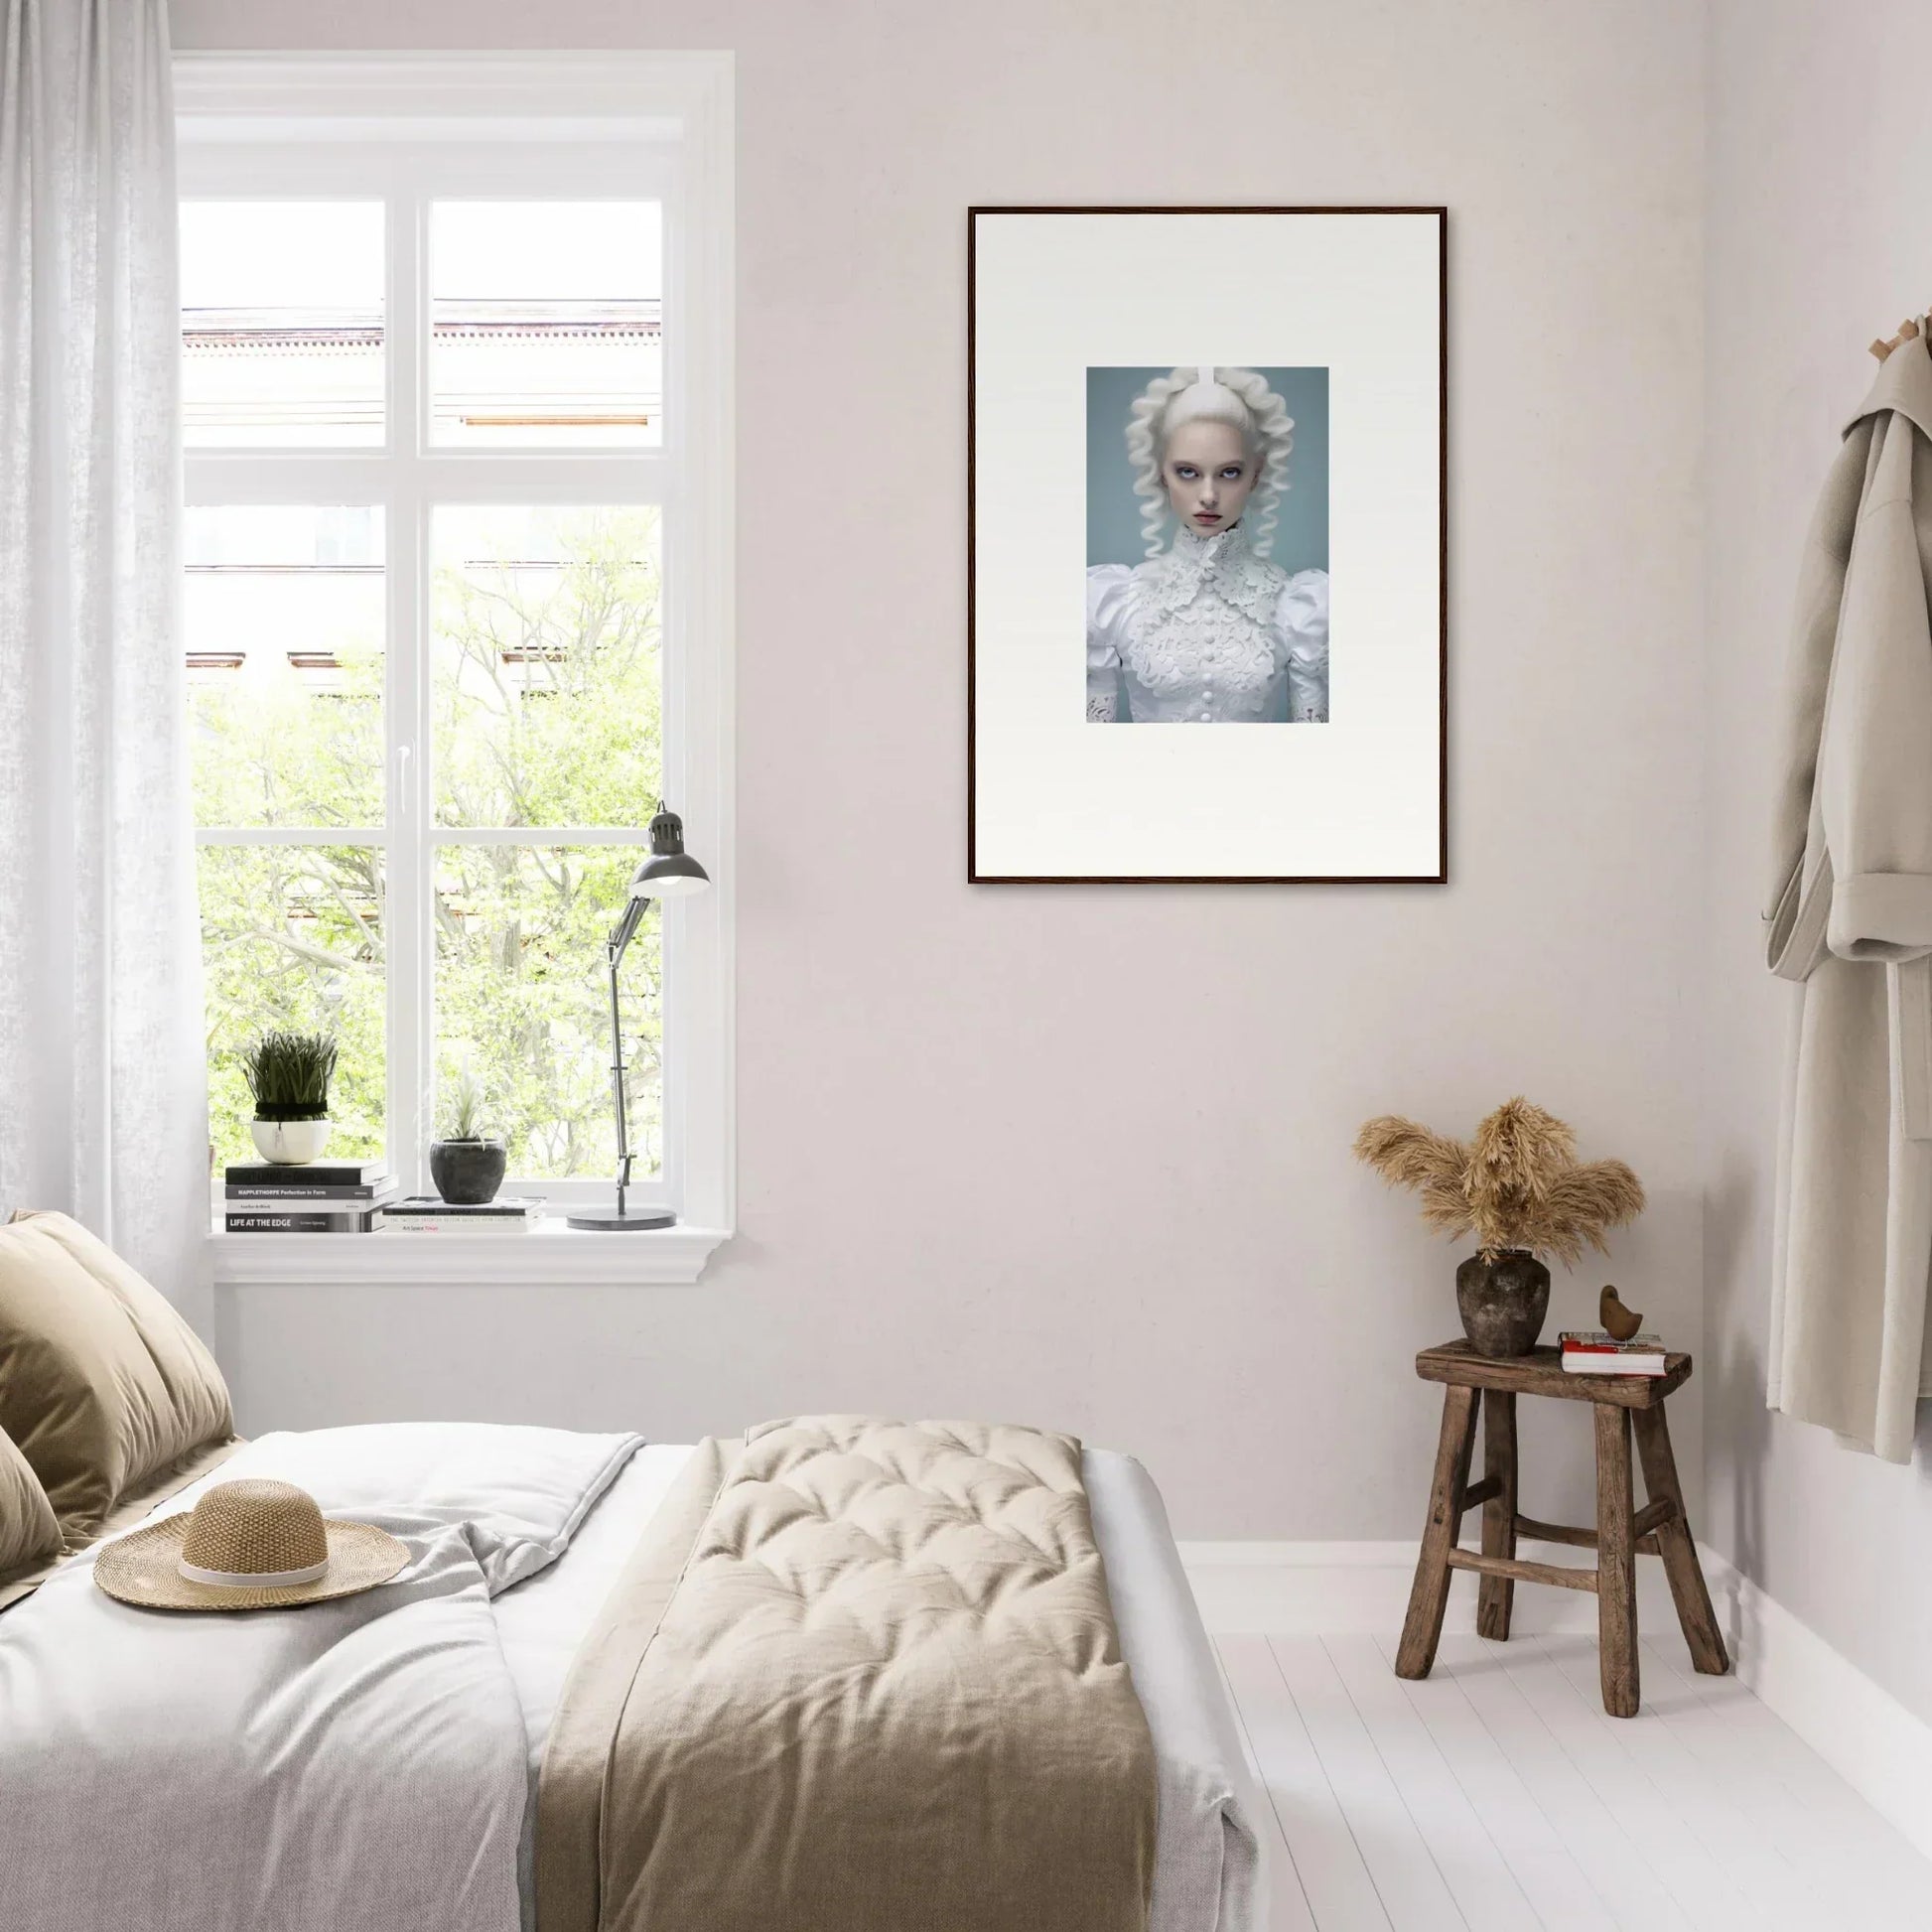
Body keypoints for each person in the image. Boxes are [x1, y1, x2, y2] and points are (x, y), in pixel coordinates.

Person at [1087, 365, 1329, 724]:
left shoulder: (1299, 606)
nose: (1208, 496)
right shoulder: (1115, 601)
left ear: (1256, 474)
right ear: (1161, 473)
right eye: (1188, 472)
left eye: (1229, 472)